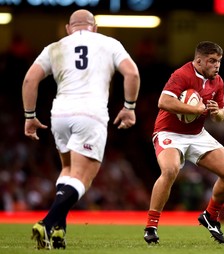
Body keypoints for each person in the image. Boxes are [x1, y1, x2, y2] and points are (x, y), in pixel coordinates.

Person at [22, 9, 140, 249]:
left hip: (60, 115)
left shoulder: (55, 47)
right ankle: (47, 222)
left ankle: (58, 231)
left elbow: (29, 80)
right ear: (94, 27)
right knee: (84, 178)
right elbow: (132, 73)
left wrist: (30, 116)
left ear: (68, 28)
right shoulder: (109, 43)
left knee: (67, 169)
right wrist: (129, 107)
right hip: (90, 114)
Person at [143, 41, 224, 244]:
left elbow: (221, 114)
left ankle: (210, 216)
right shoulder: (181, 75)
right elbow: (163, 102)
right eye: (212, 61)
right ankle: (151, 226)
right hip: (169, 132)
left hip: (196, 134)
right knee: (169, 171)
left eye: (219, 61)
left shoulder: (218, 81)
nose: (216, 65)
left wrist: (217, 112)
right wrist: (195, 110)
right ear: (198, 60)